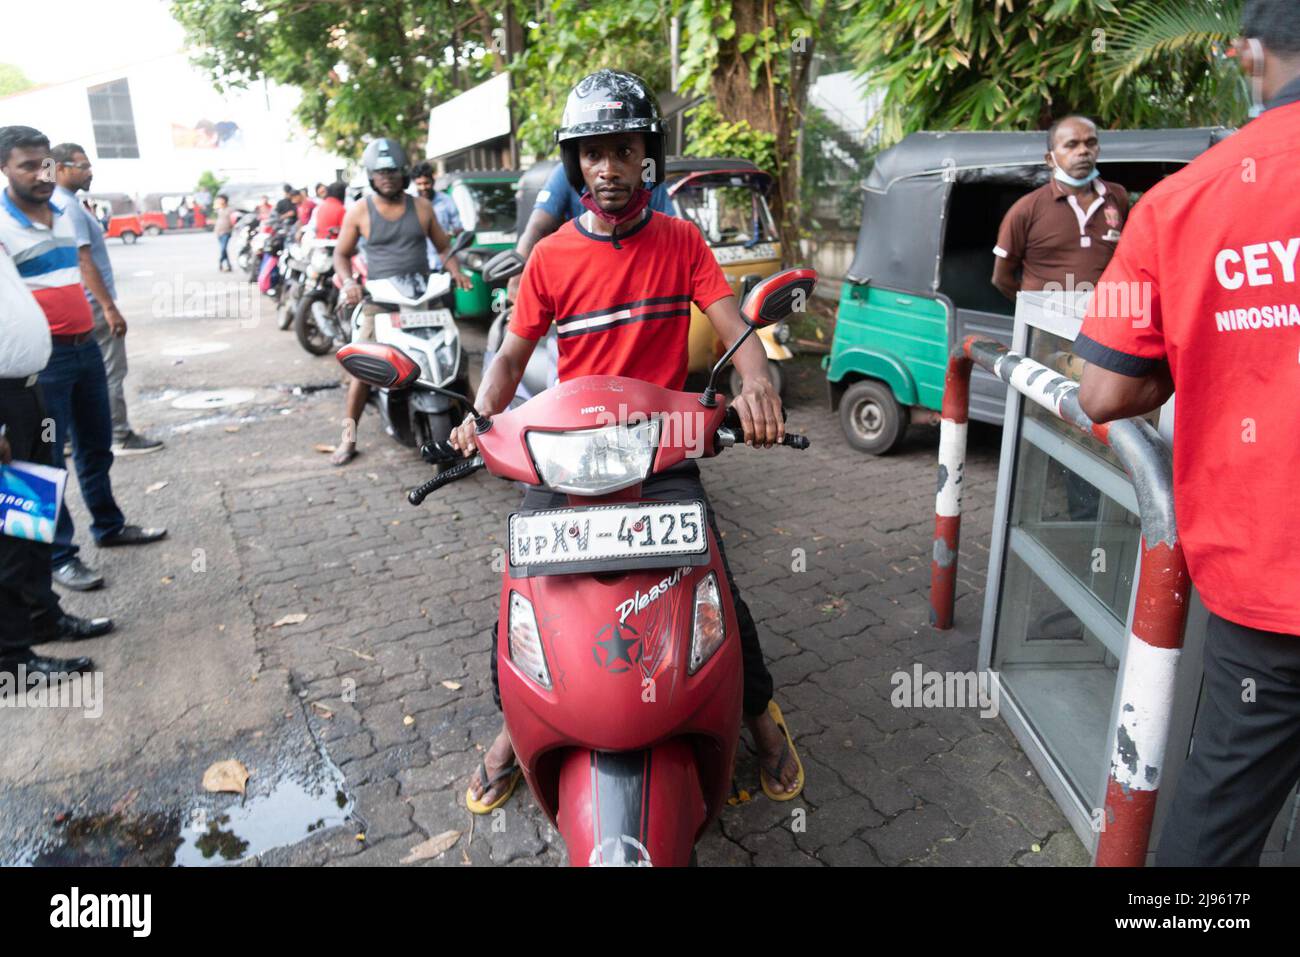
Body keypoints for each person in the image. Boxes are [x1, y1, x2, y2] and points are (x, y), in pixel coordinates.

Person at [449, 70, 804, 813]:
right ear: (574, 163)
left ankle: (759, 714)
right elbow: (511, 356)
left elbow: (733, 322)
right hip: (567, 450)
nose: (607, 167)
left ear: (649, 154)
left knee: (717, 590)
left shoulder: (681, 241)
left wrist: (757, 380)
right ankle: (519, 728)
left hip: (662, 449)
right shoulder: (549, 257)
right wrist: (481, 412)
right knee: (526, 597)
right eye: (591, 153)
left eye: (623, 149)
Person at [1075, 0, 1300, 866]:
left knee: (1210, 839)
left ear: (1250, 60)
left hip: (1265, 594)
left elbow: (1101, 388)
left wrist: (1198, 345)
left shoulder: (1178, 203)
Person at [0, 126, 165, 593]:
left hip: (84, 349)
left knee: (96, 445)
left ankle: (108, 526)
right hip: (40, 367)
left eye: (45, 163)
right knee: (43, 464)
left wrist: (107, 308)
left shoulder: (64, 214)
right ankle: (59, 558)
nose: (41, 174)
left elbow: (81, 266)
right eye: (27, 165)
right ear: (4, 169)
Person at [0, 239, 113, 668]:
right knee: (8, 537)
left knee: (30, 525)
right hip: (5, 402)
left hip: (27, 392)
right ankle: (11, 660)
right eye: (27, 164)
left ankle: (43, 619)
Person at [329, 137, 472, 466]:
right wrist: (349, 281)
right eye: (381, 172)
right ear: (370, 175)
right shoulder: (360, 211)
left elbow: (443, 247)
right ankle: (348, 437)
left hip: (423, 298)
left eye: (393, 171)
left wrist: (457, 272)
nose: (388, 177)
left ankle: (484, 428)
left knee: (457, 359)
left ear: (403, 172)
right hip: (381, 301)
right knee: (362, 370)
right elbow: (341, 253)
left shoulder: (422, 207)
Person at [52, 143, 163, 456]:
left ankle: (75, 436)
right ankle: (119, 434)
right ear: (60, 168)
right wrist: (109, 308)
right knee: (112, 370)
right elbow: (83, 260)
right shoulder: (67, 206)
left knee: (92, 372)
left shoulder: (62, 203)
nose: (90, 172)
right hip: (93, 305)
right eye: (83, 166)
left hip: (84, 304)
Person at [507, 145, 674, 303]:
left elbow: (668, 234)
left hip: (641, 280)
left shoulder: (650, 181)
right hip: (584, 280)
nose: (609, 171)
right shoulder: (563, 175)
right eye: (593, 155)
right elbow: (537, 228)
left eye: (624, 153)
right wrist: (517, 277)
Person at [991, 115, 1129, 301]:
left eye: (1090, 143)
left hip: (1103, 318)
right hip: (1047, 324)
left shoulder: (1117, 196)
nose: (1083, 151)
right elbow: (1001, 279)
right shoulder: (1027, 209)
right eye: (1072, 145)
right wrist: (1035, 310)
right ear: (1050, 159)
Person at [411, 161, 462, 270]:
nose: (423, 187)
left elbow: (458, 229)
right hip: (418, 265)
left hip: (444, 265)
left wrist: (450, 234)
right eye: (419, 184)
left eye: (426, 183)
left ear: (433, 181)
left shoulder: (446, 200)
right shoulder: (410, 203)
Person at [213, 193, 235, 270]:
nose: (219, 201)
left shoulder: (230, 209)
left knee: (223, 248)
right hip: (219, 231)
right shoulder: (219, 209)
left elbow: (233, 220)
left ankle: (220, 261)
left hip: (227, 231)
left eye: (220, 199)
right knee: (224, 249)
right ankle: (228, 265)